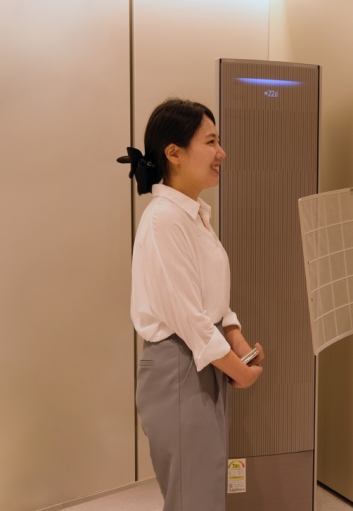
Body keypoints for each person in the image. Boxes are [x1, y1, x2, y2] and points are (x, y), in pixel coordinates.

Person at [119, 98, 265, 511]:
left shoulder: (193, 214)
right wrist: (239, 369)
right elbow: (188, 316)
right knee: (194, 498)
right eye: (211, 142)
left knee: (202, 489)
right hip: (180, 365)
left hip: (201, 361)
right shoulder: (164, 219)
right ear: (174, 153)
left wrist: (235, 336)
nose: (222, 153)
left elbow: (209, 299)